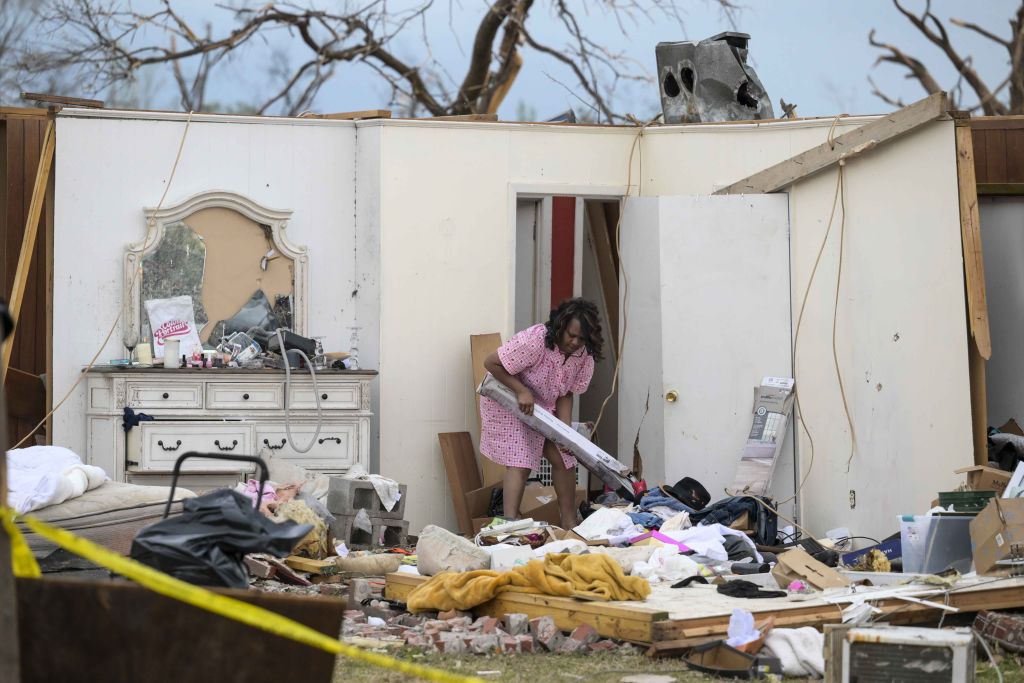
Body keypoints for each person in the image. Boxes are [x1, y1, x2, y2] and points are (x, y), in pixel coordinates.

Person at [480, 298, 604, 529]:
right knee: (521, 456)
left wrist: (564, 431)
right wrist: (521, 390)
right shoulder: (535, 340)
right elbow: (491, 363)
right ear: (560, 326)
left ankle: (569, 522)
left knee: (564, 457)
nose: (575, 342)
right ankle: (510, 524)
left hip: (544, 406)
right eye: (571, 335)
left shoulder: (583, 356)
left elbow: (566, 393)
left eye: (581, 338)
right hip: (509, 397)